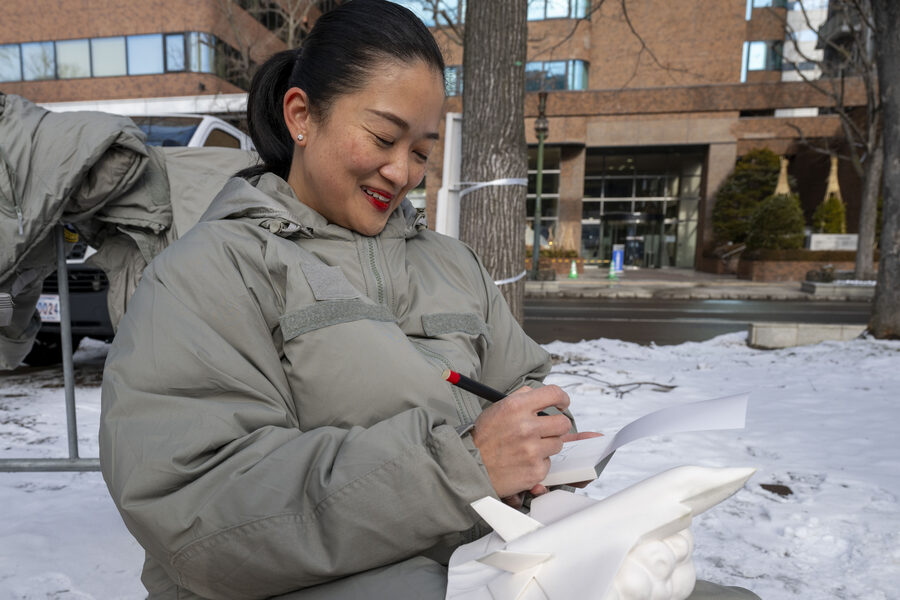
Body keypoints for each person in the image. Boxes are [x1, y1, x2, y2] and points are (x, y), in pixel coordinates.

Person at [100, 2, 759, 599]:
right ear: (301, 115)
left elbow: (516, 379)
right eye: (384, 139)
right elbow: (200, 521)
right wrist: (466, 465)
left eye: (422, 151)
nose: (403, 172)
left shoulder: (452, 263)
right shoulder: (207, 275)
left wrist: (542, 439)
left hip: (492, 562)